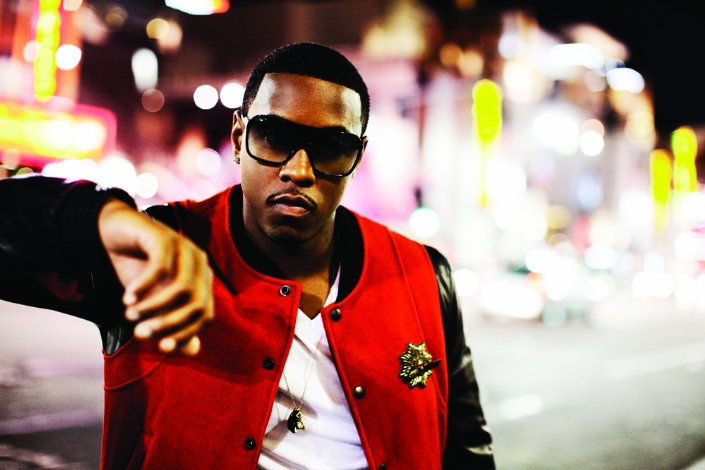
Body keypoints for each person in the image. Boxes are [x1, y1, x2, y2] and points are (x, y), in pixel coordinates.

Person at [0, 42, 495, 469]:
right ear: (239, 138)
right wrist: (94, 216)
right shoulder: (160, 249)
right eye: (274, 137)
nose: (299, 171)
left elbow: (467, 448)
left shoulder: (424, 275)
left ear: (357, 158)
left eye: (330, 147)